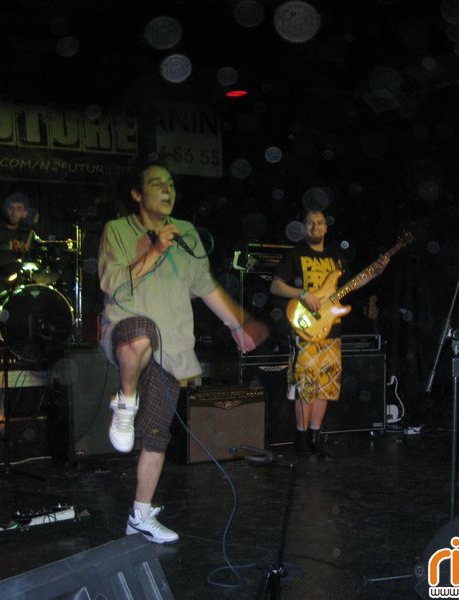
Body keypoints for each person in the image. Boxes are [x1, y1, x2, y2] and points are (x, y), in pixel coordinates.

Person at [97, 162, 260, 544]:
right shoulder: (117, 230)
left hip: (172, 346)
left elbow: (205, 286)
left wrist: (237, 324)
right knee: (142, 332)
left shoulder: (185, 232)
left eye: (170, 184)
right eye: (157, 184)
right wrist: (155, 250)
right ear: (138, 194)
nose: (167, 190)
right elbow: (112, 283)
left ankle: (140, 516)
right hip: (126, 332)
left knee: (157, 436)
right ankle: (125, 402)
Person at [270, 210, 389, 460]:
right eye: (311, 223)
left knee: (326, 386)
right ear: (304, 227)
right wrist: (303, 294)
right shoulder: (295, 255)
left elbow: (351, 284)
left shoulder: (336, 258)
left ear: (326, 227)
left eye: (320, 223)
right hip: (304, 330)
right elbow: (275, 286)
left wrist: (375, 273)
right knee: (305, 387)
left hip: (331, 331)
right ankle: (301, 437)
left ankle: (316, 436)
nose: (316, 227)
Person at [0, 193, 39, 294]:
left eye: (19, 209)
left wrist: (27, 253)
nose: (14, 212)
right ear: (6, 209)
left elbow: (33, 260)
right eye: (11, 208)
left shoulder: (28, 232)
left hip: (22, 278)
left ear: (25, 213)